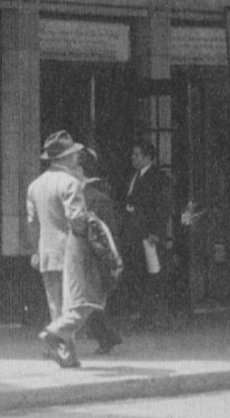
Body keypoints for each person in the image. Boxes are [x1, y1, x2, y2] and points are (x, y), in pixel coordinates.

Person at [25, 130, 103, 369]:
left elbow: (32, 223)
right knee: (85, 302)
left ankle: (68, 357)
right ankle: (53, 332)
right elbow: (77, 219)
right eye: (74, 155)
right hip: (71, 250)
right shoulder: (70, 183)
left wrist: (36, 251)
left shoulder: (35, 186)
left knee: (57, 306)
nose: (77, 159)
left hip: (46, 252)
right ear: (65, 159)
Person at [120, 139, 174, 328]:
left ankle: (154, 315)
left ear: (148, 157)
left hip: (148, 235)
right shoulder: (134, 176)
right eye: (133, 154)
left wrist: (156, 232)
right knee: (138, 273)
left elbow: (163, 208)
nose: (133, 158)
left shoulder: (159, 178)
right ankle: (143, 315)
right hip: (134, 234)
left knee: (154, 273)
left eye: (137, 155)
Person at [75, 147, 123, 355]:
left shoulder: (88, 197)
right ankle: (107, 337)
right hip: (94, 255)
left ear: (80, 170)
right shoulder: (100, 196)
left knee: (88, 298)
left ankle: (107, 336)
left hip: (88, 255)